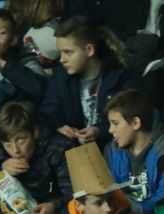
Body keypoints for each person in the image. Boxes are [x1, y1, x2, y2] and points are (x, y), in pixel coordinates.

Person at [42, 18, 130, 146]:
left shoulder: (119, 77)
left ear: (89, 50)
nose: (61, 59)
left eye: (68, 52)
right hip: (76, 150)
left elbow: (129, 117)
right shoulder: (60, 77)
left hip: (114, 147)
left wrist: (99, 130)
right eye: (60, 52)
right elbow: (48, 109)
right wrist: (60, 126)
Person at [104, 89, 164, 214]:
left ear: (136, 123)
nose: (110, 130)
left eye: (115, 124)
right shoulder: (112, 151)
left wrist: (131, 207)